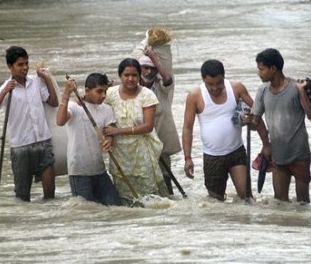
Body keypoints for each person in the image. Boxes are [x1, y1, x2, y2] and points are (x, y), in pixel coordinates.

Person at [182, 59, 270, 201]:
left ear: (224, 76)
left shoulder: (237, 88)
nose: (215, 88)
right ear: (203, 79)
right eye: (210, 84)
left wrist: (265, 144)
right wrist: (187, 158)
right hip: (212, 156)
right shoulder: (195, 95)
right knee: (215, 203)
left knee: (247, 198)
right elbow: (187, 128)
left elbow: (257, 116)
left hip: (236, 152)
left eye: (219, 83)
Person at [0, 46, 57, 202]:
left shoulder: (36, 83)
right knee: (23, 197)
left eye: (26, 63)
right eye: (20, 65)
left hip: (43, 142)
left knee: (50, 194)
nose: (25, 68)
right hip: (21, 148)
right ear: (10, 67)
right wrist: (4, 91)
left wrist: (47, 79)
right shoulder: (6, 88)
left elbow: (53, 102)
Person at [251, 48, 311, 203]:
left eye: (261, 69)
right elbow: (255, 122)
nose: (258, 72)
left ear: (273, 69)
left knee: (303, 203)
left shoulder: (296, 88)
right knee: (280, 202)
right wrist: (264, 143)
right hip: (278, 156)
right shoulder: (262, 91)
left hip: (300, 154)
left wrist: (302, 93)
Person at [103, 58, 169, 205]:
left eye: (134, 75)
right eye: (126, 75)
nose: (130, 79)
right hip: (119, 152)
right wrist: (109, 137)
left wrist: (118, 131)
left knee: (149, 191)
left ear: (140, 76)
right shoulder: (110, 94)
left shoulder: (146, 95)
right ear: (120, 76)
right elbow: (104, 118)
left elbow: (148, 126)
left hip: (141, 150)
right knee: (123, 191)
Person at [56, 73, 121, 206]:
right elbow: (60, 121)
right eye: (99, 91)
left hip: (100, 170)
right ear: (87, 91)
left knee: (115, 207)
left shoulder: (107, 109)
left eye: (105, 91)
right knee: (87, 213)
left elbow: (109, 130)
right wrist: (66, 94)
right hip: (79, 172)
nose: (103, 95)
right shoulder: (75, 107)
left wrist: (109, 140)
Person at [137, 46, 182, 195]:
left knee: (165, 177)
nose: (149, 72)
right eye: (145, 68)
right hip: (140, 140)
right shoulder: (133, 87)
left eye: (152, 69)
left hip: (161, 140)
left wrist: (153, 56)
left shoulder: (161, 86)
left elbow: (168, 79)